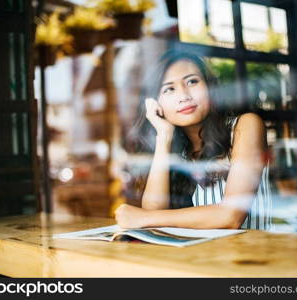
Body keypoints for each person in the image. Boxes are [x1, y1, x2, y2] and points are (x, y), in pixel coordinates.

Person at [115, 50, 272, 230]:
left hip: (255, 255)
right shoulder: (180, 151)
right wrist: (164, 135)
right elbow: (154, 211)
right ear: (157, 104)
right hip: (205, 256)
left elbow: (231, 216)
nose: (184, 96)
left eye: (192, 82)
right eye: (169, 89)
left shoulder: (245, 125)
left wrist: (143, 218)